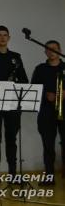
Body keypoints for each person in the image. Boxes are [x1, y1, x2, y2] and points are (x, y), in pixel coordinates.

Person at [0, 25, 28, 180]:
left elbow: (24, 81)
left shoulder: (16, 57)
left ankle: (13, 173)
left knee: (12, 139)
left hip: (12, 104)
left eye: (5, 35)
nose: (2, 38)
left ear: (8, 38)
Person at [31, 40, 65, 185]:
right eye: (48, 49)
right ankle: (49, 176)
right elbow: (33, 88)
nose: (51, 51)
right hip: (46, 112)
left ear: (60, 50)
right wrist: (46, 95)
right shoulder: (40, 69)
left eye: (55, 49)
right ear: (45, 51)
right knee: (48, 145)